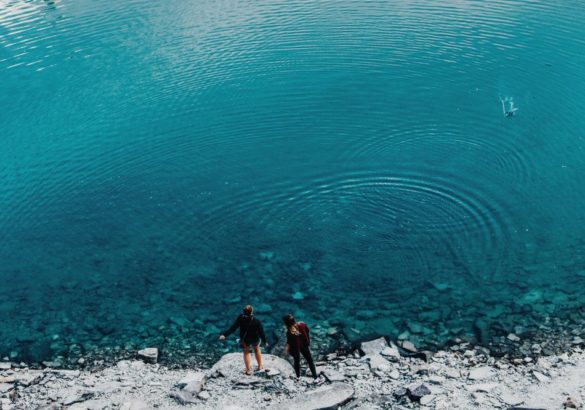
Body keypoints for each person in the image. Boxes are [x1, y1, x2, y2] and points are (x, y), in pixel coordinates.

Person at [219, 305, 268, 375]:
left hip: (245, 339)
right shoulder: (256, 321)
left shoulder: (240, 318)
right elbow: (261, 332)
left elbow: (233, 327)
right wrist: (265, 341)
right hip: (255, 338)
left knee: (246, 352)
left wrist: (225, 335)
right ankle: (260, 366)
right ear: (252, 311)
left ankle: (248, 370)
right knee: (257, 349)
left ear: (243, 312)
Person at [282, 314, 317, 379]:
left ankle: (298, 376)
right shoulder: (302, 324)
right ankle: (315, 376)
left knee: (297, 362)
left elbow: (289, 342)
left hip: (296, 348)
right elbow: (307, 330)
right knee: (310, 361)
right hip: (304, 345)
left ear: (286, 323)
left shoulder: (289, 332)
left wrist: (286, 351)